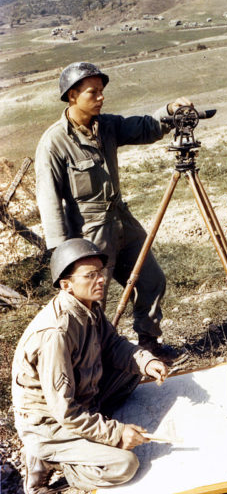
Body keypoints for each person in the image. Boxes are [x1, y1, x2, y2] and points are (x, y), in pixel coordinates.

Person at [35, 61, 190, 359]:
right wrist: (63, 255)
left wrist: (168, 111)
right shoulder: (54, 143)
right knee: (94, 303)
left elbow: (144, 126)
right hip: (89, 234)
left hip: (121, 222)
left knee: (151, 280)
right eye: (92, 93)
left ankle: (149, 344)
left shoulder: (107, 126)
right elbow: (49, 200)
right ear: (72, 96)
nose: (101, 98)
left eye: (102, 91)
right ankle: (95, 364)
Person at [12, 238, 169, 494]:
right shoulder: (56, 333)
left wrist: (146, 361)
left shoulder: (88, 307)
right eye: (91, 275)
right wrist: (116, 434)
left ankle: (83, 442)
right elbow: (65, 411)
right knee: (125, 465)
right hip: (49, 423)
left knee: (131, 370)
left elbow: (113, 346)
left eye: (101, 273)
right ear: (67, 285)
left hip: (75, 401)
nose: (101, 280)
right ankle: (53, 459)